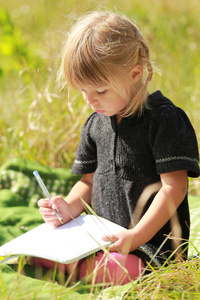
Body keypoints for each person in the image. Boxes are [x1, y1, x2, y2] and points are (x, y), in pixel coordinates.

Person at [36, 11, 200, 285]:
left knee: (120, 269)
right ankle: (75, 264)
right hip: (102, 238)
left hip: (152, 247)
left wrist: (135, 237)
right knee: (39, 253)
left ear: (135, 74)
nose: (90, 100)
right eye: (82, 91)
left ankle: (83, 269)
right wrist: (68, 207)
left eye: (100, 91)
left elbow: (175, 188)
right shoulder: (95, 124)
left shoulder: (164, 121)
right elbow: (88, 183)